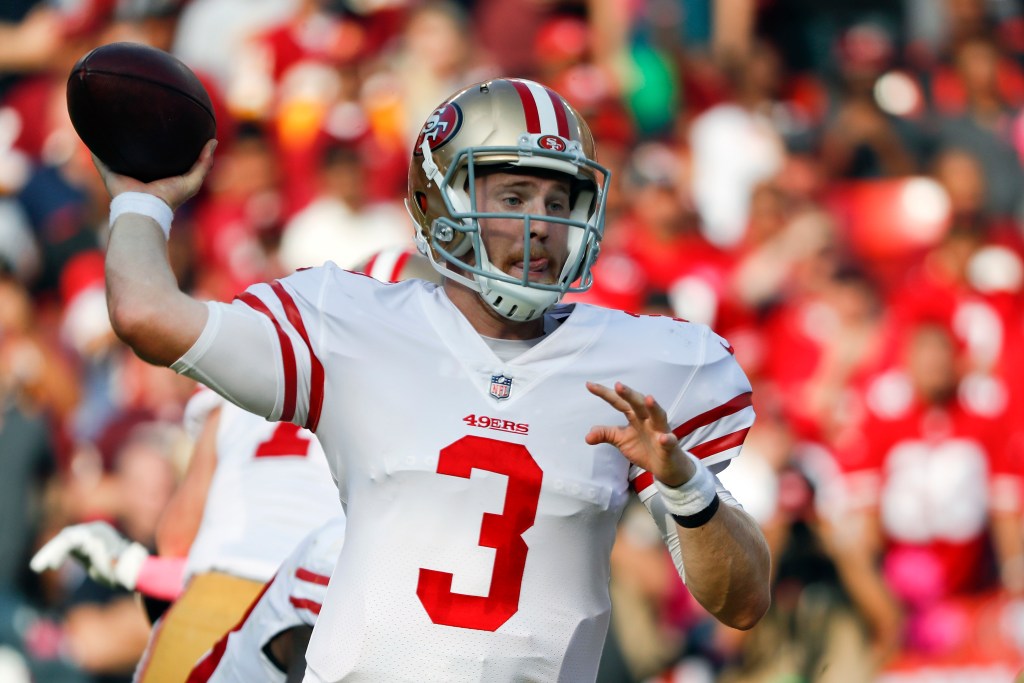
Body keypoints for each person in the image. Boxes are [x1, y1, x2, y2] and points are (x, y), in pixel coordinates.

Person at [97, 77, 771, 681]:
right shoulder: (351, 321)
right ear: (438, 202)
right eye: (514, 195)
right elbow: (148, 316)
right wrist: (140, 203)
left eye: (559, 199)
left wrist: (687, 486)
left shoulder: (645, 362)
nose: (542, 224)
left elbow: (743, 603)